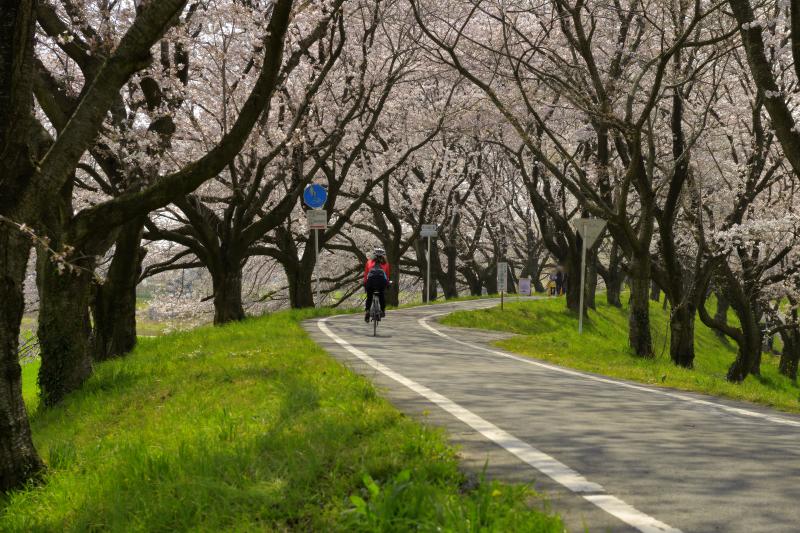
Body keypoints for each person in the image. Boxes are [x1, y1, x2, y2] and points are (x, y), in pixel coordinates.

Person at [363, 247, 391, 322]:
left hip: (370, 283)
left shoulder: (369, 262)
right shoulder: (386, 264)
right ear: (383, 256)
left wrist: (365, 283)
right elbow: (387, 276)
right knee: (381, 296)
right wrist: (387, 284)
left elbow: (366, 274)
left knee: (369, 297)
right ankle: (382, 311)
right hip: (381, 283)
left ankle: (367, 311)